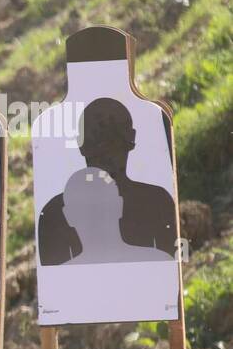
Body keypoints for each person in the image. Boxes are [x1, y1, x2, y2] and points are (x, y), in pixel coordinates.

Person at [37, 97, 176, 265]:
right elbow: (54, 283)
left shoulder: (157, 201)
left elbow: (169, 274)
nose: (106, 154)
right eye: (97, 143)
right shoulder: (55, 212)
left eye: (112, 142)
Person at [60, 168, 173, 265]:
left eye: (102, 204)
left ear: (119, 205)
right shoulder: (157, 259)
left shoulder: (158, 260)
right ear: (69, 216)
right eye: (83, 207)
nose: (95, 215)